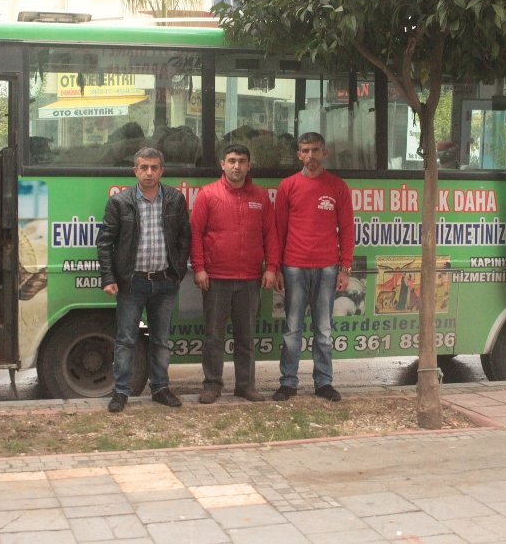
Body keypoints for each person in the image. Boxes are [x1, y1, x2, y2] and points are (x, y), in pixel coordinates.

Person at [97, 147, 191, 413]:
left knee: (161, 340)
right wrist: (108, 277)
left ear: (162, 170)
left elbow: (185, 237)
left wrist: (178, 272)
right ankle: (121, 392)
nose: (149, 173)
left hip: (165, 282)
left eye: (154, 167)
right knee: (126, 339)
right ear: (135, 170)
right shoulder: (121, 202)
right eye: (143, 167)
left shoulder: (174, 199)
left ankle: (161, 388)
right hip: (132, 283)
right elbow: (105, 243)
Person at [190, 144, 280, 404]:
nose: (236, 166)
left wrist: (271, 268)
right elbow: (195, 234)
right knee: (214, 336)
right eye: (231, 160)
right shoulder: (208, 195)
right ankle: (212, 386)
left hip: (250, 279)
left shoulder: (261, 196)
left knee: (246, 337)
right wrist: (199, 268)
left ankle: (245, 385)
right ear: (222, 164)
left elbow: (270, 235)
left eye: (242, 161)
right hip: (215, 278)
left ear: (249, 165)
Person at [273, 132, 355, 402]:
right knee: (292, 329)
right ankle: (288, 382)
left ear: (324, 153)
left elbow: (347, 230)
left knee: (323, 330)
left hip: (327, 268)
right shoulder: (287, 186)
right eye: (305, 151)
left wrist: (344, 269)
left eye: (315, 150)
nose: (310, 156)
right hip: (294, 267)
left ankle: (323, 382)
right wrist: (276, 268)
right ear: (298, 154)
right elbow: (278, 231)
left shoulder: (337, 187)